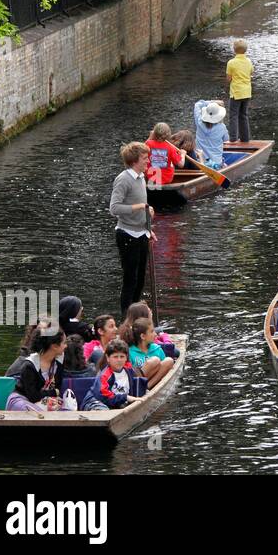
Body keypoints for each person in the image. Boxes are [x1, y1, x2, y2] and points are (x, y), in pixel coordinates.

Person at [110, 141, 153, 315]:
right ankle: (126, 320)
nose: (148, 161)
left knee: (141, 279)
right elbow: (114, 208)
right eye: (144, 158)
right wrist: (140, 206)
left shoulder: (141, 177)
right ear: (134, 161)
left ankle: (136, 319)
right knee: (130, 280)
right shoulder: (123, 179)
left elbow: (142, 207)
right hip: (127, 234)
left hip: (141, 232)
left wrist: (149, 229)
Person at [7, 324, 65, 411]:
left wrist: (53, 396)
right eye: (64, 343)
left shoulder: (58, 365)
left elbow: (57, 390)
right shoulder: (29, 366)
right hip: (22, 401)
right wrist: (53, 392)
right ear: (54, 346)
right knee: (35, 412)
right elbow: (33, 396)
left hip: (43, 401)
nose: (66, 346)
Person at [83, 340, 142, 410]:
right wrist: (125, 397)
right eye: (115, 357)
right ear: (108, 358)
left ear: (126, 357)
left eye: (122, 356)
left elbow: (136, 384)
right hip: (95, 402)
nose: (119, 360)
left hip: (115, 403)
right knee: (104, 411)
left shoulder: (129, 370)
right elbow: (104, 397)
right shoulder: (105, 375)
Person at [123, 317, 173, 387]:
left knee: (169, 360)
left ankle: (147, 387)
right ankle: (139, 387)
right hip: (135, 382)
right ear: (143, 336)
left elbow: (164, 369)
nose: (155, 334)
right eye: (152, 331)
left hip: (153, 382)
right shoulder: (130, 352)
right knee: (154, 361)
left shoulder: (157, 349)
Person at [225, 38, 254, 143]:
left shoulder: (231, 63)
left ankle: (233, 139)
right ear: (245, 50)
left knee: (233, 116)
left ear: (234, 50)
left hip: (236, 93)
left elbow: (229, 79)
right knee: (244, 115)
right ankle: (245, 139)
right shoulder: (249, 61)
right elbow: (251, 73)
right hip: (247, 92)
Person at [193, 99, 229, 168]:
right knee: (224, 165)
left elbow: (197, 105)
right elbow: (226, 139)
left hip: (200, 161)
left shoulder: (199, 122)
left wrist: (211, 102)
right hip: (216, 163)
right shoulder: (222, 127)